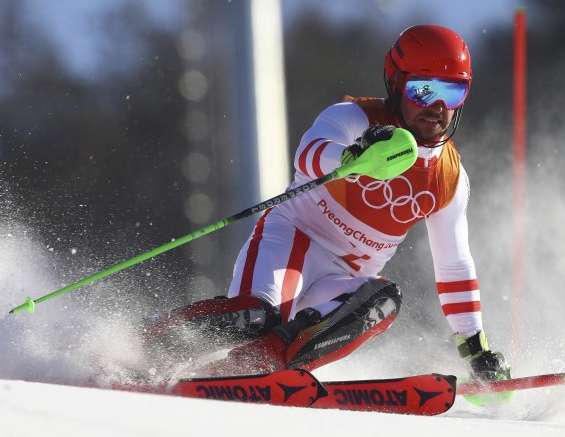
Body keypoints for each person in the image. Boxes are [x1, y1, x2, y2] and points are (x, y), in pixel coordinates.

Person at [147, 25, 510, 382]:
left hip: (344, 279)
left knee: (384, 299)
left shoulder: (449, 176)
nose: (437, 106)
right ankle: (146, 347)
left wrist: (474, 346)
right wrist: (353, 157)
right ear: (397, 83)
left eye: (453, 91)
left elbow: (454, 264)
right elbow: (308, 154)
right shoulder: (357, 118)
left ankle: (258, 368)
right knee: (255, 317)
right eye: (423, 89)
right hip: (291, 244)